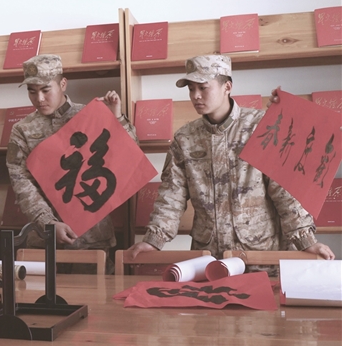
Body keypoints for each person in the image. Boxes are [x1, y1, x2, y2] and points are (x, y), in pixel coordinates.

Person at [125, 55, 335, 262]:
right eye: (191, 89)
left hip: (260, 255)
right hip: (209, 257)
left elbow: (284, 189)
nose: (195, 96)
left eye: (203, 88)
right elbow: (172, 194)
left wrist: (305, 240)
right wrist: (153, 240)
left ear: (227, 87)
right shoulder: (185, 138)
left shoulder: (260, 127)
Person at [6, 54, 136, 273]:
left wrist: (117, 119)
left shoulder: (89, 114)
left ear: (63, 84)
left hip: (93, 237)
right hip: (45, 239)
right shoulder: (22, 130)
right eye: (32, 91)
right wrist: (48, 223)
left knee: (95, 294)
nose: (39, 98)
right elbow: (21, 182)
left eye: (45, 90)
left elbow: (129, 156)